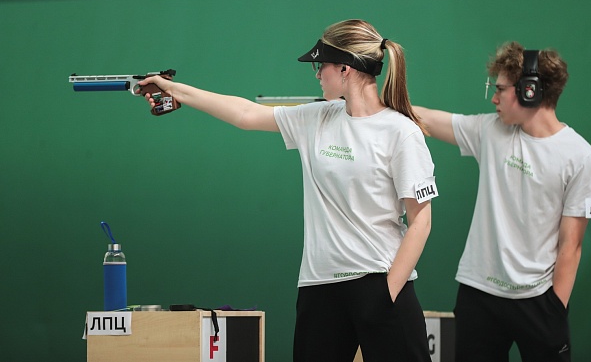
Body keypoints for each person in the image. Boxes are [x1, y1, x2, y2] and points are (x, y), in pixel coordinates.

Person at [139, 19, 438, 362]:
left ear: (345, 68)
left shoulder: (401, 132)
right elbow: (245, 114)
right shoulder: (317, 118)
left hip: (381, 282)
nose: (317, 74)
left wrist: (386, 294)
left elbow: (421, 221)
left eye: (321, 65)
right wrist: (175, 90)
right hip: (319, 287)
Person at [414, 42, 591, 362]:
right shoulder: (491, 130)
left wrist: (555, 309)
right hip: (478, 295)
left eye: (500, 89)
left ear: (530, 91)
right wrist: (377, 103)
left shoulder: (582, 158)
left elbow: (571, 246)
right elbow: (428, 120)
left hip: (540, 300)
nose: (494, 98)